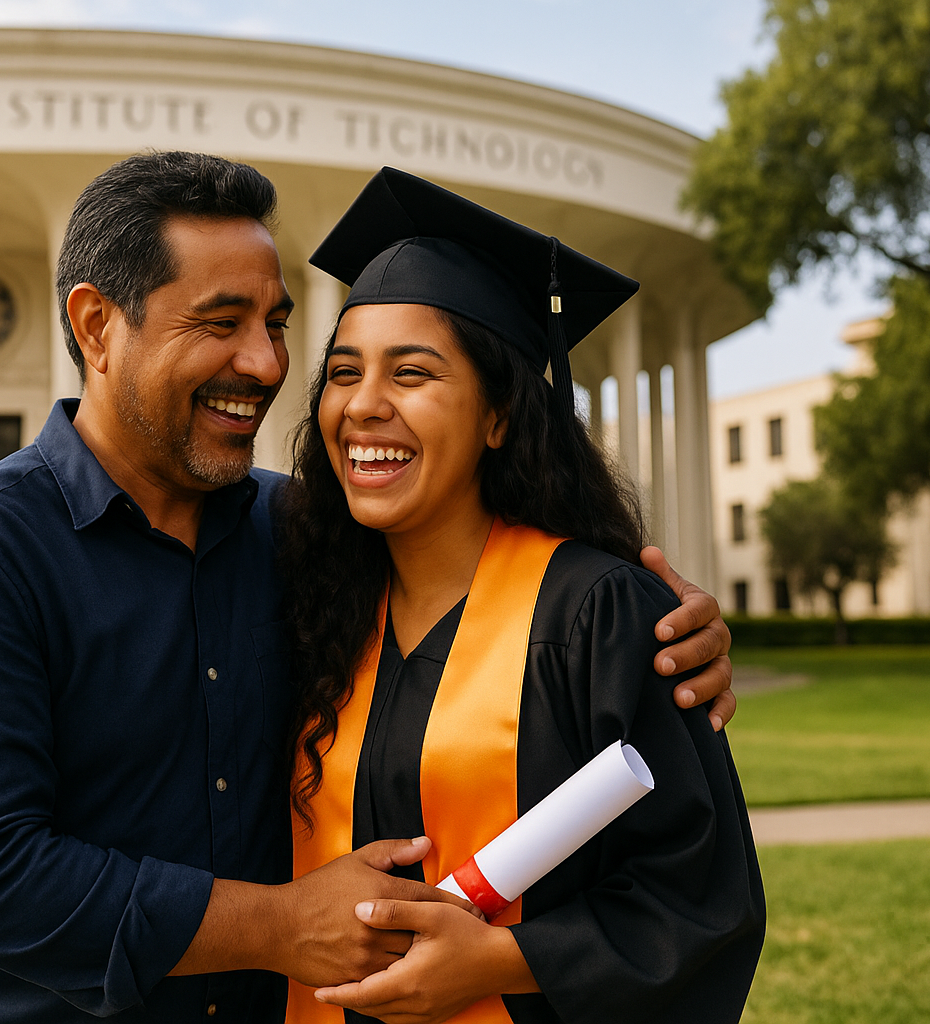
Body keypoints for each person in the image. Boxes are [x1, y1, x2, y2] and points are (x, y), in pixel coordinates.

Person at [0, 152, 739, 1024]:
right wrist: (278, 925)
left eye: (277, 324)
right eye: (221, 320)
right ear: (96, 326)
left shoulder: (301, 539)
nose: (264, 362)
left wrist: (651, 626)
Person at [279, 168, 765, 1024]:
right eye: (344, 373)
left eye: (413, 374)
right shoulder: (309, 605)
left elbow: (702, 900)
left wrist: (502, 960)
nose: (363, 406)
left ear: (500, 413)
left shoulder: (597, 615)